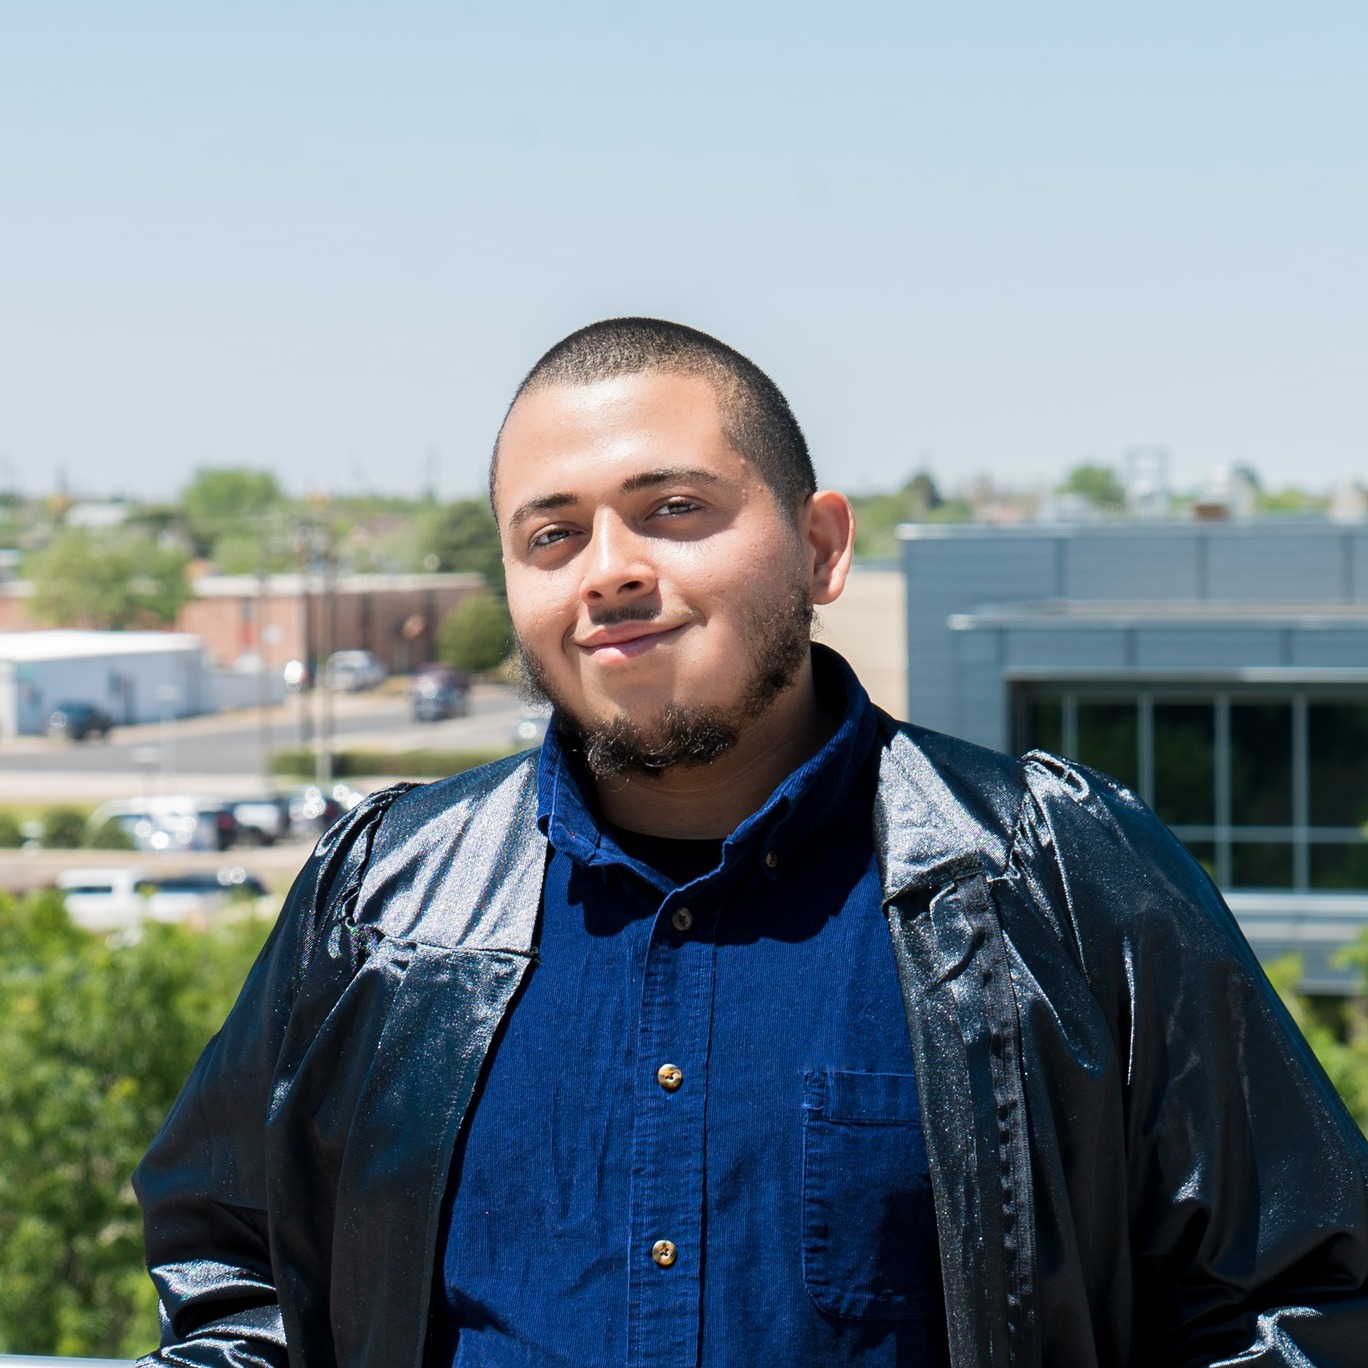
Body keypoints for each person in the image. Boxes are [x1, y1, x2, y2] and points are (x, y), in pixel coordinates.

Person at [135, 319, 1368, 1367]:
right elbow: (233, 1264)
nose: (609, 573)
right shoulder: (382, 903)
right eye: (550, 535)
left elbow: (1302, 1298)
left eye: (674, 510)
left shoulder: (1057, 877)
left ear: (822, 546)